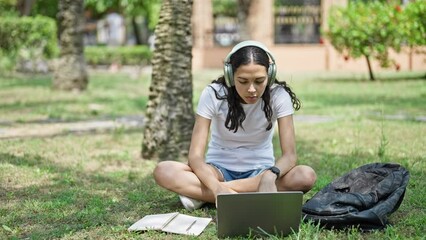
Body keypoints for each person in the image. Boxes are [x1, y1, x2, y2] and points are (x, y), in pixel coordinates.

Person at [153, 40, 317, 211]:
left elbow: (290, 156)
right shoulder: (213, 93)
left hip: (261, 172)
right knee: (164, 171)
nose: (252, 89)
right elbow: (195, 157)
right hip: (217, 171)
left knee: (306, 176)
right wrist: (217, 187)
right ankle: (237, 194)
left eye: (259, 81)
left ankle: (205, 195)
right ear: (230, 76)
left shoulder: (279, 95)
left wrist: (269, 177)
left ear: (270, 74)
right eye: (243, 81)